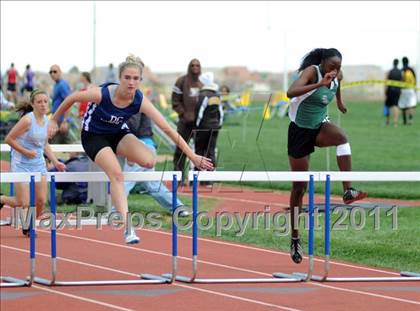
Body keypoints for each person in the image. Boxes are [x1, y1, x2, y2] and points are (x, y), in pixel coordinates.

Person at [48, 55, 213, 244]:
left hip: (117, 133)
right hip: (94, 136)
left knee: (149, 160)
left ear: (140, 80)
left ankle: (126, 154)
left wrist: (192, 156)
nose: (131, 82)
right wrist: (54, 119)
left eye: (136, 78)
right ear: (120, 78)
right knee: (117, 175)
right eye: (127, 78)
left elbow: (168, 129)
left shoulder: (140, 101)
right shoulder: (103, 94)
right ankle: (128, 228)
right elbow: (72, 98)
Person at [286, 48, 367, 264]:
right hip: (299, 131)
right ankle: (295, 237)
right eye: (332, 67)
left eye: (338, 67)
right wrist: (319, 84)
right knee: (299, 187)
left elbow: (337, 86)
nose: (335, 71)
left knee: (342, 138)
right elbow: (290, 93)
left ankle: (348, 190)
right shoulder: (312, 72)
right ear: (322, 63)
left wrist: (339, 102)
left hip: (319, 126)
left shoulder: (337, 75)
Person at [0, 89, 66, 235]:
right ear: (33, 104)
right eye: (39, 102)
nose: (43, 105)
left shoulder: (48, 120)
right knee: (23, 202)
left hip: (38, 164)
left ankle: (28, 224)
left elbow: (44, 144)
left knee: (41, 201)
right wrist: (26, 152)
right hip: (21, 163)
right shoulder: (27, 120)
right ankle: (3, 199)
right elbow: (9, 139)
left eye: (45, 101)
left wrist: (55, 162)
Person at [115, 112, 190, 216]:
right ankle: (179, 208)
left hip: (140, 145)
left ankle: (115, 211)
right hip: (145, 145)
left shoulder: (133, 103)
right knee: (153, 184)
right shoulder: (130, 102)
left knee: (127, 179)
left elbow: (133, 126)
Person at [171, 59, 203, 184]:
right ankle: (179, 178)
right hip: (184, 122)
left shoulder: (202, 83)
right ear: (189, 67)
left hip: (199, 123)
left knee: (200, 150)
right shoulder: (181, 81)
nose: (195, 67)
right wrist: (184, 113)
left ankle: (198, 178)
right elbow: (175, 101)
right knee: (181, 150)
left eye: (197, 65)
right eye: (193, 65)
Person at [194, 72, 223, 185]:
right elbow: (220, 112)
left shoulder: (203, 95)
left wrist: (196, 126)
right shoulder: (216, 95)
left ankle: (197, 178)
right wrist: (219, 124)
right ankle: (210, 179)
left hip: (203, 127)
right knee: (210, 151)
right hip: (215, 127)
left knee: (199, 151)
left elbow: (200, 112)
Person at [49, 64, 73, 144]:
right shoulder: (56, 84)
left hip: (61, 121)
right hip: (57, 120)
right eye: (51, 72)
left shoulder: (62, 84)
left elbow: (69, 102)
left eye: (55, 71)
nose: (52, 74)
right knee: (53, 145)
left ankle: (82, 155)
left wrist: (65, 121)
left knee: (69, 146)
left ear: (60, 72)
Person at [398, 57, 417, 125]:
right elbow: (415, 80)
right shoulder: (411, 70)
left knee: (403, 105)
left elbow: (400, 81)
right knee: (411, 105)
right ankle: (410, 119)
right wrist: (415, 89)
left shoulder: (401, 70)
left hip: (403, 90)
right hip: (411, 89)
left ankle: (405, 121)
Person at [384, 59, 402, 126]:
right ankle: (395, 122)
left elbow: (386, 82)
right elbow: (402, 82)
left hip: (390, 91)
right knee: (396, 106)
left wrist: (385, 92)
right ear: (398, 63)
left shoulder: (390, 72)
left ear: (393, 63)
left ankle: (387, 121)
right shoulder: (400, 72)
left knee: (388, 106)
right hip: (397, 91)